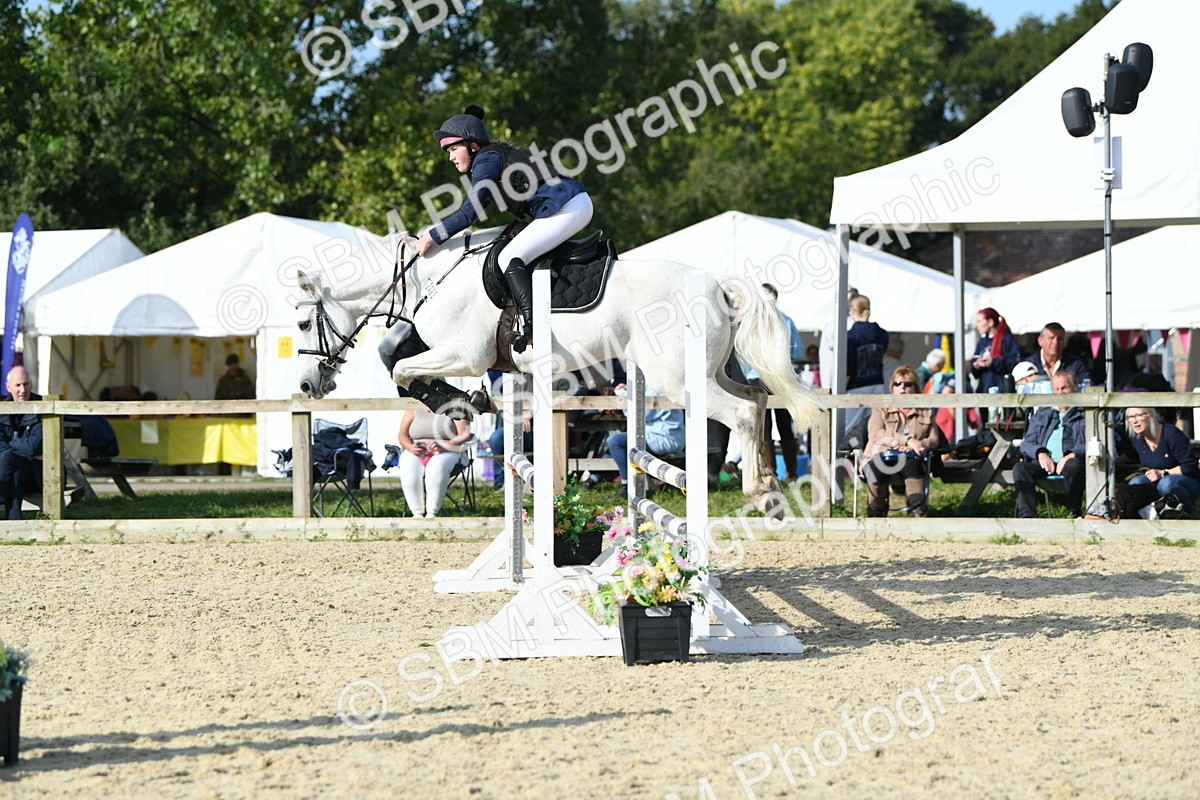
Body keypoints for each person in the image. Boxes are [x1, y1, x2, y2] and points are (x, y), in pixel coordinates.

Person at [413, 104, 593, 353]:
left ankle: (533, 328)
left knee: (510, 256)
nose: (451, 157)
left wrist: (431, 236)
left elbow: (468, 215)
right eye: (449, 152)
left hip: (567, 206)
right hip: (569, 205)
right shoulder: (491, 158)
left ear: (473, 145)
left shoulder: (486, 160)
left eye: (454, 149)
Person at [738, 284, 804, 480]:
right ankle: (792, 473)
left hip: (757, 378)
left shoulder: (750, 323)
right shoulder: (787, 320)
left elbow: (742, 354)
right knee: (785, 424)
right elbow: (797, 353)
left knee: (763, 426)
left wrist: (749, 373)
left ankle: (769, 472)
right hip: (781, 377)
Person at [861, 366, 940, 518]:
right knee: (877, 467)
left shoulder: (926, 412)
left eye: (908, 384)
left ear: (916, 388)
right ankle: (876, 515)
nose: (902, 387)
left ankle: (917, 514)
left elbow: (934, 439)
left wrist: (920, 445)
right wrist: (908, 441)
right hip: (882, 454)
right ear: (892, 388)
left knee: (913, 466)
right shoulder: (881, 409)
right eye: (898, 384)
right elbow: (876, 434)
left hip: (912, 457)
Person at [1013, 371, 1086, 518]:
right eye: (1056, 389)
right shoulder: (1043, 413)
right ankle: (1027, 517)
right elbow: (1027, 444)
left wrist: (1071, 455)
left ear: (1075, 388)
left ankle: (1073, 513)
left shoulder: (1084, 413)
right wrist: (1040, 453)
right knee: (1020, 468)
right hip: (1045, 463)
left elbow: (1094, 443)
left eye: (1064, 388)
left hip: (1072, 463)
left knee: (1074, 465)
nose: (1060, 393)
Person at [606, 387, 686, 497]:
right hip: (658, 436)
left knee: (615, 441)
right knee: (612, 447)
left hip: (666, 439)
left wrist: (621, 392)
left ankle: (627, 486)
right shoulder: (653, 383)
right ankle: (591, 480)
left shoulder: (658, 386)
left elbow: (639, 411)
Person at [1124, 405, 1200, 518]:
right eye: (1130, 417)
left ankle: (1188, 513)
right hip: (1157, 483)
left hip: (1186, 482)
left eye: (1139, 415)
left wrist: (1163, 473)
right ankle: (1147, 517)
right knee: (1135, 482)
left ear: (1151, 415)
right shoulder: (1137, 439)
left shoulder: (1172, 434)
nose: (1134, 421)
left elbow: (1190, 466)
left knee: (1166, 484)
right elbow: (1130, 455)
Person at [396, 409, 473, 518]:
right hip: (418, 449)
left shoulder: (456, 404)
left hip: (450, 449)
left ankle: (432, 513)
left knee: (437, 465)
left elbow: (464, 435)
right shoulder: (413, 406)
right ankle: (417, 514)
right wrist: (410, 447)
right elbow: (402, 434)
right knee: (407, 463)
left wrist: (443, 446)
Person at [0, 367, 42, 520]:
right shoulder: (2, 408)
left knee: (8, 456)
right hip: (14, 469)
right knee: (15, 473)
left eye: (26, 384)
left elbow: (33, 447)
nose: (22, 390)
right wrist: (18, 445)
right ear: (8, 387)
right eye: (18, 385)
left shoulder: (43, 407)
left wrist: (11, 442)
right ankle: (14, 524)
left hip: (41, 474)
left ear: (31, 385)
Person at [844, 294, 889, 437]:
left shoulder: (850, 336)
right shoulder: (883, 334)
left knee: (850, 427)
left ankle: (845, 456)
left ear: (851, 311)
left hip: (856, 386)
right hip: (878, 383)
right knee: (875, 427)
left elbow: (849, 366)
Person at [970, 307, 1020, 420]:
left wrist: (994, 362)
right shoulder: (982, 342)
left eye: (979, 321)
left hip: (1002, 393)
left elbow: (1014, 364)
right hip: (984, 393)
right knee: (985, 429)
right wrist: (977, 365)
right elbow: (974, 370)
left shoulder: (1007, 339)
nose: (977, 325)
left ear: (990, 322)